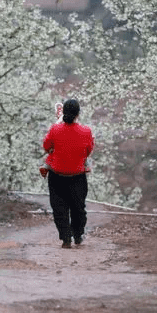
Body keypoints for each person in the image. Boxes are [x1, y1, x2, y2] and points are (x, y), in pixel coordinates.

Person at [42, 99, 94, 249]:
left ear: (63, 112)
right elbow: (88, 151)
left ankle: (66, 239)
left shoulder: (55, 129)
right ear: (78, 114)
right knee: (78, 208)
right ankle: (78, 235)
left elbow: (46, 146)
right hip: (77, 176)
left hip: (57, 176)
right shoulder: (86, 131)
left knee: (59, 208)